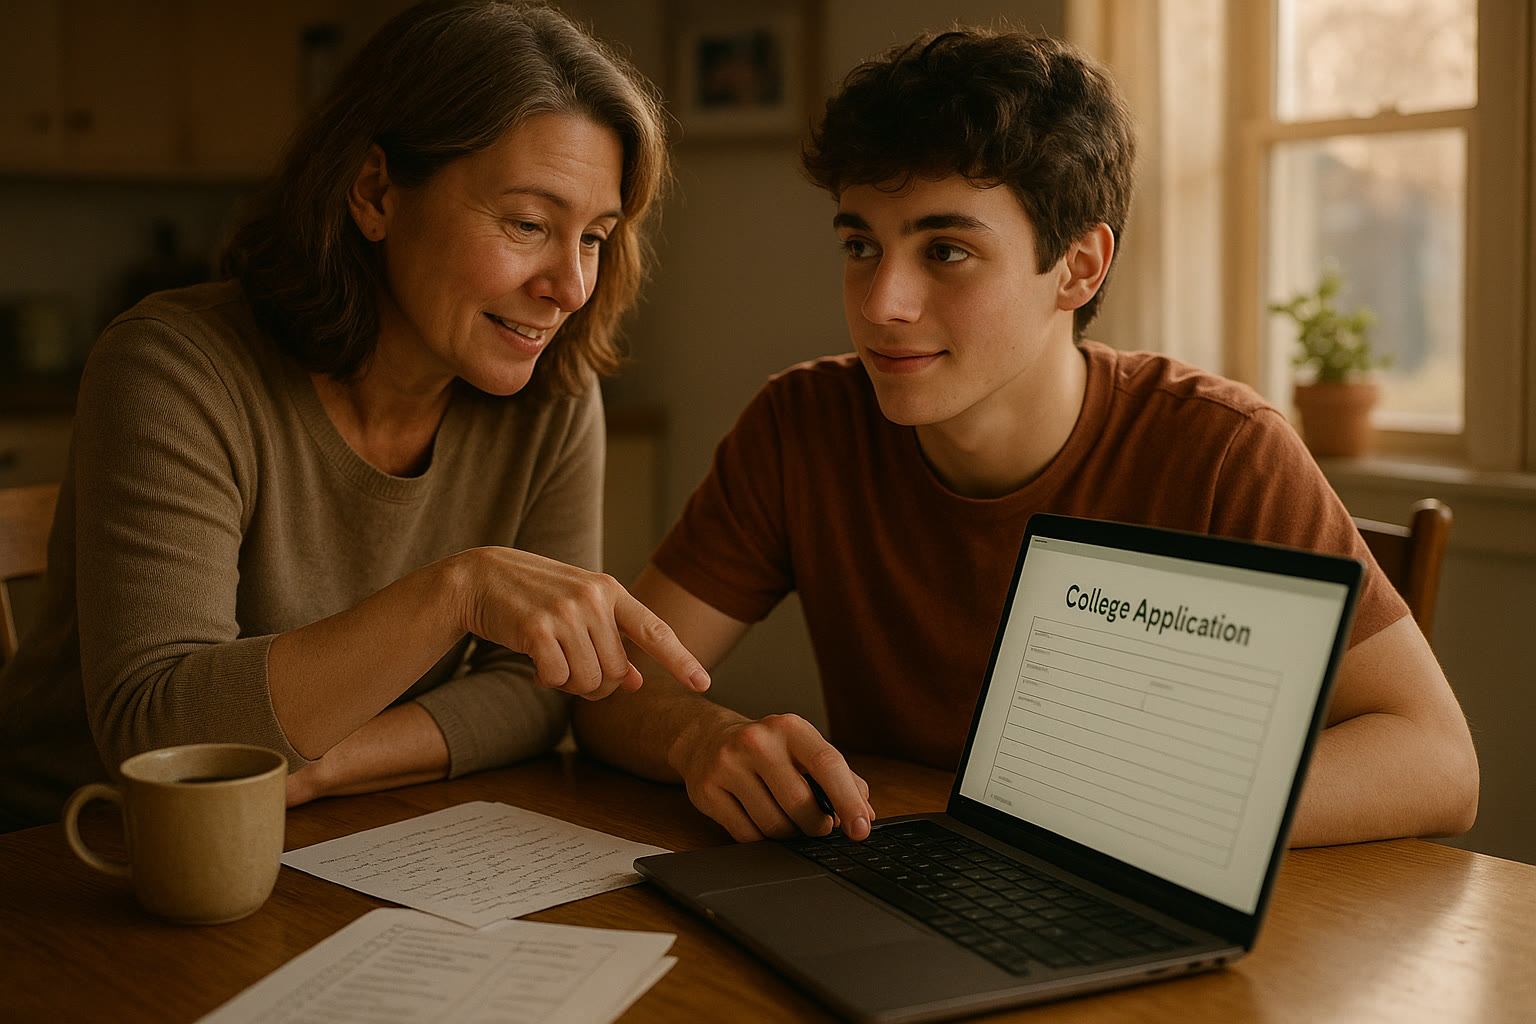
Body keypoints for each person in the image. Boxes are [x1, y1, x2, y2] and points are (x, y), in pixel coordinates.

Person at [571, 27, 1479, 848]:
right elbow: (617, 693)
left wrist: (1123, 810)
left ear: (1078, 266)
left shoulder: (1222, 450)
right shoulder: (802, 426)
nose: (882, 304)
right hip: (905, 889)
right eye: (860, 246)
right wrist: (706, 739)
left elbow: (1437, 761)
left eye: (946, 251)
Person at [0, 0, 708, 831]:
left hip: (333, 832)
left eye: (593, 236)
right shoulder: (175, 366)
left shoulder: (551, 396)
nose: (572, 287)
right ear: (375, 193)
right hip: (78, 856)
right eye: (527, 224)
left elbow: (534, 690)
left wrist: (320, 766)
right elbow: (158, 730)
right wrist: (458, 593)